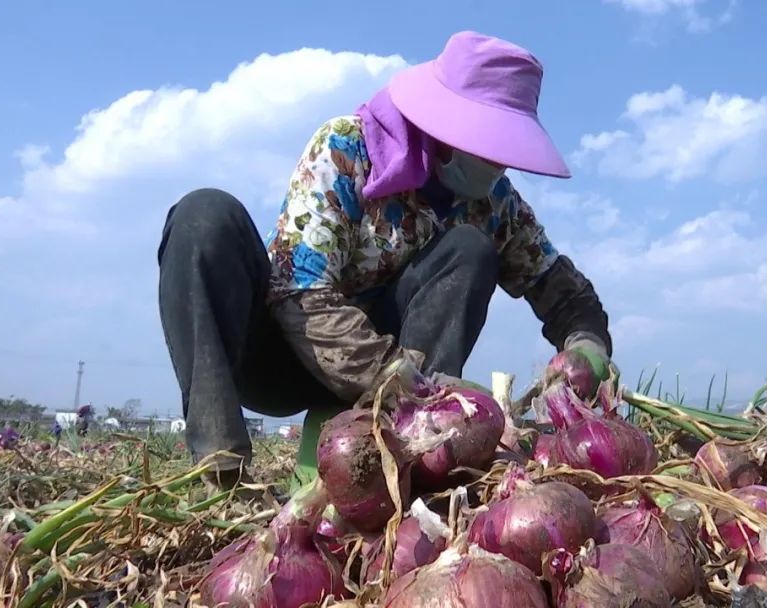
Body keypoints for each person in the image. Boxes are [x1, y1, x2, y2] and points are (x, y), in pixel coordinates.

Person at [157, 31, 614, 491]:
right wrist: (394, 377)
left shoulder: (493, 203)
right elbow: (298, 290)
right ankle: (220, 472)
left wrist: (587, 343)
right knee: (204, 217)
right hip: (284, 355)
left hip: (402, 390)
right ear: (444, 125)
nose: (499, 165)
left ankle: (410, 459)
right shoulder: (347, 150)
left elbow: (557, 286)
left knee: (468, 249)